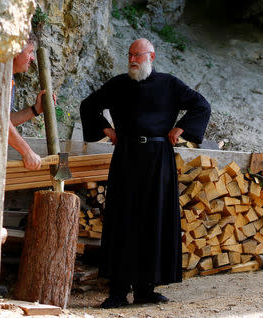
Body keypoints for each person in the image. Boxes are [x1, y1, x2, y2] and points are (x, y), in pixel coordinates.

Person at [80, 38, 211, 308]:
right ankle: (117, 291)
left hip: (158, 159)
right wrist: (106, 129)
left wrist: (181, 129)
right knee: (123, 219)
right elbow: (88, 105)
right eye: (130, 54)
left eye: (137, 55)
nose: (132, 59)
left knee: (154, 220)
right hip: (126, 158)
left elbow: (201, 105)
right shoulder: (117, 85)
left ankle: (145, 289)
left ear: (151, 56)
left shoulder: (169, 84)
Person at [9, 37, 55, 170]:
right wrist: (27, 152)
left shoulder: (8, 78)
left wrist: (35, 110)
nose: (33, 58)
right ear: (15, 52)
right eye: (30, 52)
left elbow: (5, 119)